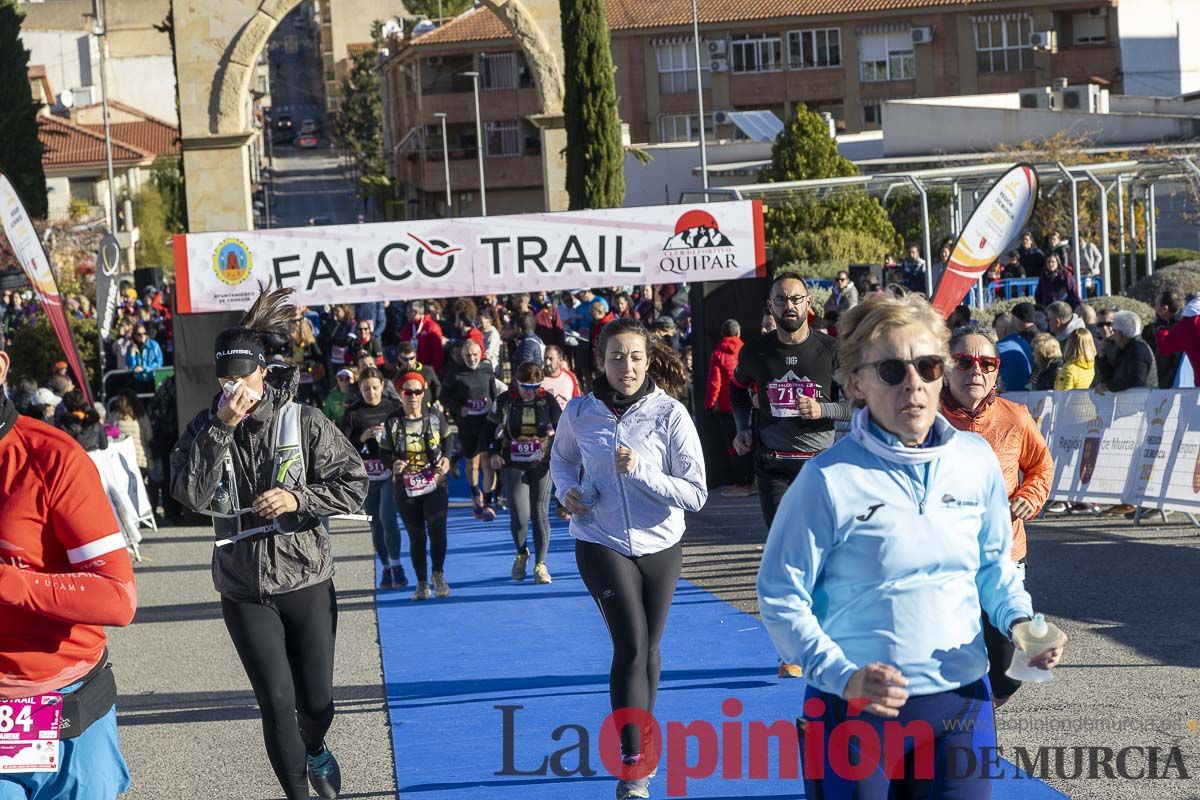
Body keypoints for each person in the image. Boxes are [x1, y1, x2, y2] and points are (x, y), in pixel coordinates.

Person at [757, 294, 1065, 799]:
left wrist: (1022, 622)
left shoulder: (976, 461)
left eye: (927, 366)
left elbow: (994, 565)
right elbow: (780, 594)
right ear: (855, 381)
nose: (914, 385)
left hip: (961, 704)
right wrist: (841, 675)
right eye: (892, 370)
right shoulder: (827, 480)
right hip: (853, 714)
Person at [171, 286, 368, 800]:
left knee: (317, 703)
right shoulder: (205, 425)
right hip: (242, 584)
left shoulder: (301, 421)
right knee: (277, 701)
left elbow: (355, 483)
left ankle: (318, 745)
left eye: (243, 376)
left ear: (264, 371)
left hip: (305, 575)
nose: (234, 387)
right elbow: (188, 496)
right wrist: (220, 429)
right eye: (225, 378)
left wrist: (297, 499)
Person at [551, 318, 707, 800]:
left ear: (649, 359)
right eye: (617, 357)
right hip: (599, 540)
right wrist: (568, 492)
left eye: (636, 356)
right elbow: (560, 460)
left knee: (651, 649)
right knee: (632, 645)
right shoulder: (579, 412)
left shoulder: (670, 414)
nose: (627, 366)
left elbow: (696, 493)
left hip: (661, 543)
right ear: (600, 361)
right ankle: (634, 763)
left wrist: (641, 471)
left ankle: (642, 727)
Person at [0, 336, 138, 800]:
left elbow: (117, 598)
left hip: (65, 702)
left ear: (0, 366)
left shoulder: (51, 457)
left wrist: (9, 582)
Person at [731, 273, 851, 679]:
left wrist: (825, 411)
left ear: (808, 304)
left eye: (796, 299)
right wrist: (742, 428)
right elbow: (736, 389)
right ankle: (793, 650)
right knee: (787, 559)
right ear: (771, 306)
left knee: (827, 559)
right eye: (781, 300)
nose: (789, 306)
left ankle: (832, 637)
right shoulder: (755, 352)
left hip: (821, 469)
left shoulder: (830, 350)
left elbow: (858, 404)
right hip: (774, 467)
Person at [939, 325, 1055, 706]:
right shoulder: (924, 420)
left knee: (1006, 671)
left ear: (996, 371)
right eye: (965, 361)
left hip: (1003, 555)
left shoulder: (1015, 418)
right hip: (942, 561)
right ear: (945, 365)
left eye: (987, 362)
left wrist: (1029, 496)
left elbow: (1041, 466)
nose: (976, 370)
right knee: (947, 657)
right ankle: (962, 729)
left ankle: (983, 709)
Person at [485, 362, 562, 584]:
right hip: (512, 462)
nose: (529, 392)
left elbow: (562, 428)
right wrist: (492, 453)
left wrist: (557, 450)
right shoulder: (505, 400)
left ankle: (541, 564)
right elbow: (488, 429)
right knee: (519, 518)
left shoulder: (546, 400)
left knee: (540, 513)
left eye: (534, 386)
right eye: (525, 387)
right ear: (516, 383)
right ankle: (521, 552)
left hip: (541, 463)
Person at [382, 371, 453, 601]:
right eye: (407, 391)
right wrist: (393, 464)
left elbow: (448, 438)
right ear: (401, 394)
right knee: (417, 536)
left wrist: (447, 458)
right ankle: (422, 583)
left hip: (434, 482)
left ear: (423, 394)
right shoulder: (392, 421)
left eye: (417, 391)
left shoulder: (434, 417)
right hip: (407, 486)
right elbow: (383, 451)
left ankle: (438, 574)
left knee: (438, 531)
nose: (412, 396)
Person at [343, 367, 408, 591]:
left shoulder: (394, 408)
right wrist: (362, 438)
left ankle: (398, 564)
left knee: (388, 517)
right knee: (375, 524)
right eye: (365, 389)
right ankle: (386, 566)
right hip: (367, 478)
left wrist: (388, 439)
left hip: (390, 473)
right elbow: (343, 448)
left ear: (382, 386)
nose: (370, 393)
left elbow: (407, 438)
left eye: (374, 388)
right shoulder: (353, 412)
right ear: (359, 389)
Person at [441, 339, 500, 520]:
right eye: (468, 355)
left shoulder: (487, 369)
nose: (472, 358)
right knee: (472, 463)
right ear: (462, 356)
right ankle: (476, 493)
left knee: (487, 462)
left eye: (475, 354)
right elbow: (443, 397)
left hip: (486, 422)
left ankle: (489, 501)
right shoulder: (454, 374)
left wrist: (497, 417)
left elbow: (494, 394)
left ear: (480, 353)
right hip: (467, 425)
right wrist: (459, 409)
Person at [705, 319, 753, 497]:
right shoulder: (746, 350)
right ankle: (751, 482)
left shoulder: (718, 353)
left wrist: (709, 405)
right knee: (749, 442)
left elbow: (714, 382)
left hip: (727, 407)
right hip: (748, 404)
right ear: (738, 333)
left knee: (735, 446)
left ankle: (741, 484)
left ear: (722, 334)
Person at [1097, 310, 1158, 392]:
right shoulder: (1125, 348)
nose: (1113, 335)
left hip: (1143, 402)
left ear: (1120, 333)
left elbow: (1137, 380)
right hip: (1130, 403)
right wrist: (1102, 356)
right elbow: (1113, 376)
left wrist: (1109, 387)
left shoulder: (1138, 349)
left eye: (1114, 331)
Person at [399, 300, 445, 374]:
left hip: (427, 370)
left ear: (415, 312)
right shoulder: (407, 327)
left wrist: (435, 372)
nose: (406, 315)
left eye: (408, 312)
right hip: (411, 369)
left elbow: (438, 353)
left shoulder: (432, 327)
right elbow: (402, 347)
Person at [993, 313, 1033, 392]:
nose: (996, 331)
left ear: (1003, 330)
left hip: (1007, 396)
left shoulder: (997, 348)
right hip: (1027, 393)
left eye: (996, 328)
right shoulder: (1025, 344)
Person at [541, 344, 580, 411]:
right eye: (545, 358)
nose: (547, 363)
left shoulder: (569, 377)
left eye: (551, 359)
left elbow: (577, 400)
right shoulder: (539, 378)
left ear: (560, 360)